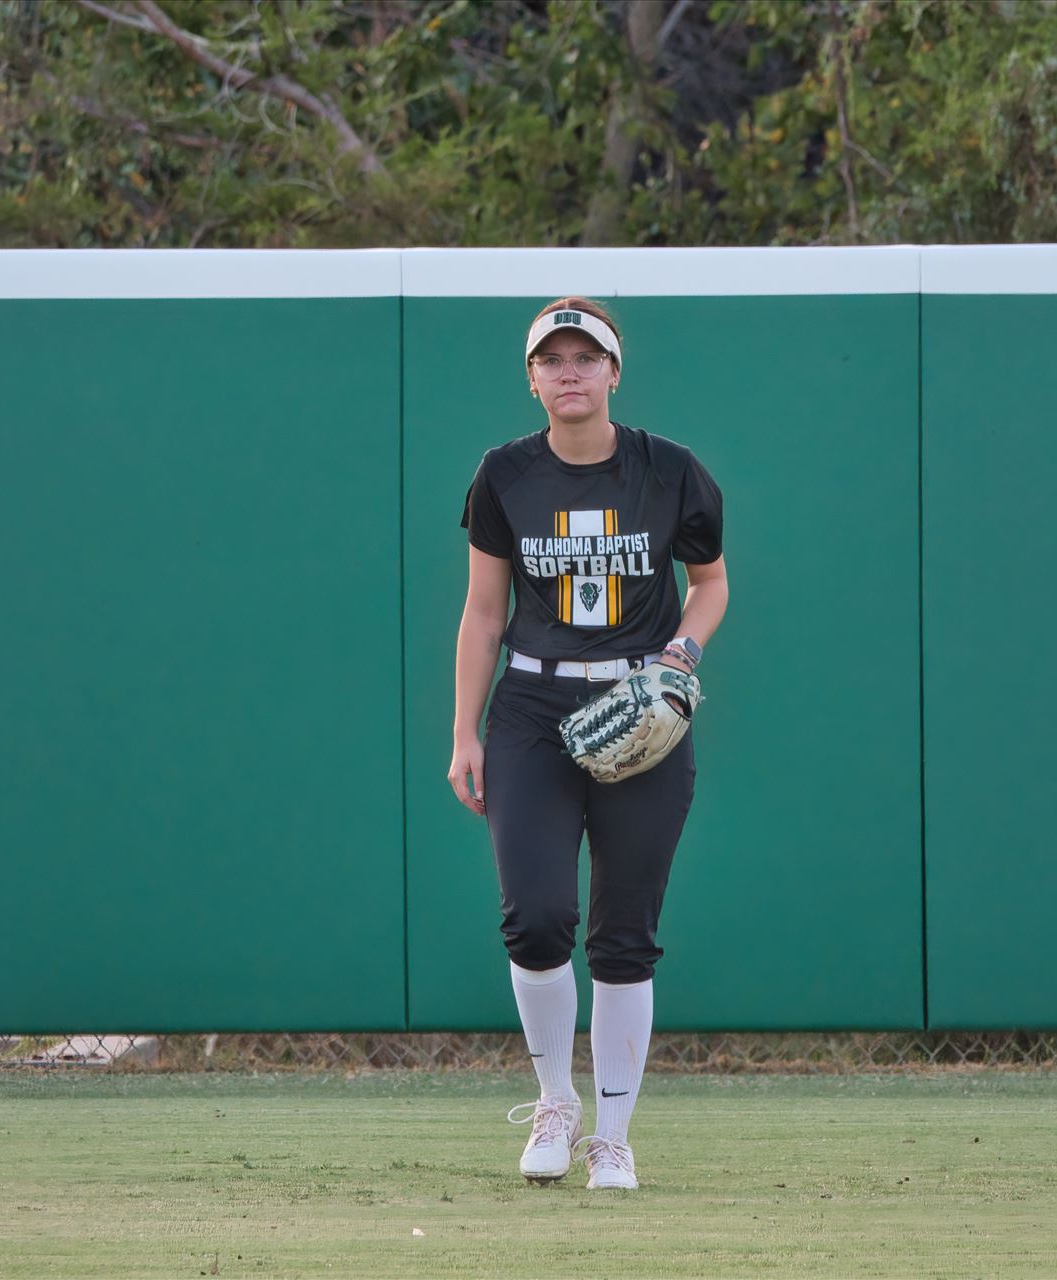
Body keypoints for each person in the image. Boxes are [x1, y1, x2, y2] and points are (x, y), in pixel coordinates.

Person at [447, 296, 728, 1190]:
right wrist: (465, 732)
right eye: (552, 359)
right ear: (531, 379)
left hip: (640, 707)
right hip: (533, 708)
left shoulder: (671, 471)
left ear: (614, 371)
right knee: (534, 918)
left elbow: (712, 583)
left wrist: (682, 650)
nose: (569, 372)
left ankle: (613, 1133)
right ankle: (555, 1102)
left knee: (624, 935)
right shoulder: (504, 475)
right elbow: (483, 612)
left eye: (586, 357)